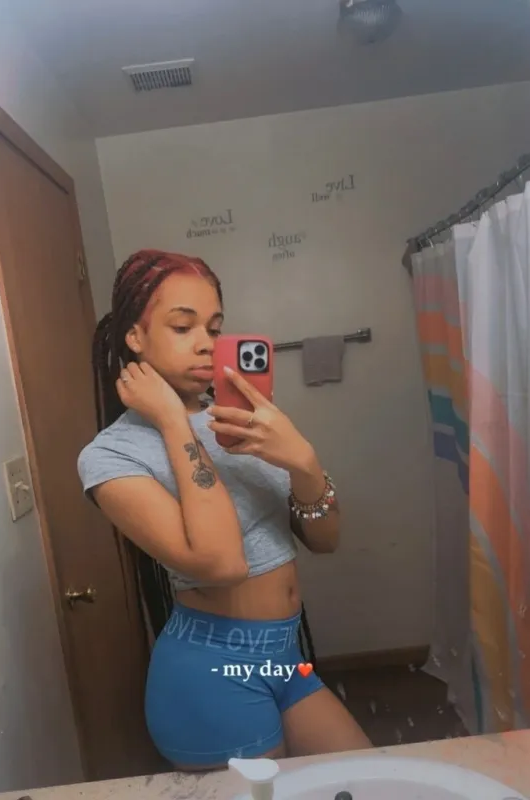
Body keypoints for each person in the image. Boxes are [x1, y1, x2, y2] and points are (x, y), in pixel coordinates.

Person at [77, 249, 371, 770]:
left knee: (367, 778)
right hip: (211, 670)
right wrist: (173, 421)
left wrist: (303, 463)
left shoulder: (239, 420)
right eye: (182, 326)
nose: (206, 344)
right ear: (135, 337)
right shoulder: (110, 455)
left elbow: (325, 540)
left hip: (284, 659)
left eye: (214, 328)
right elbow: (222, 564)